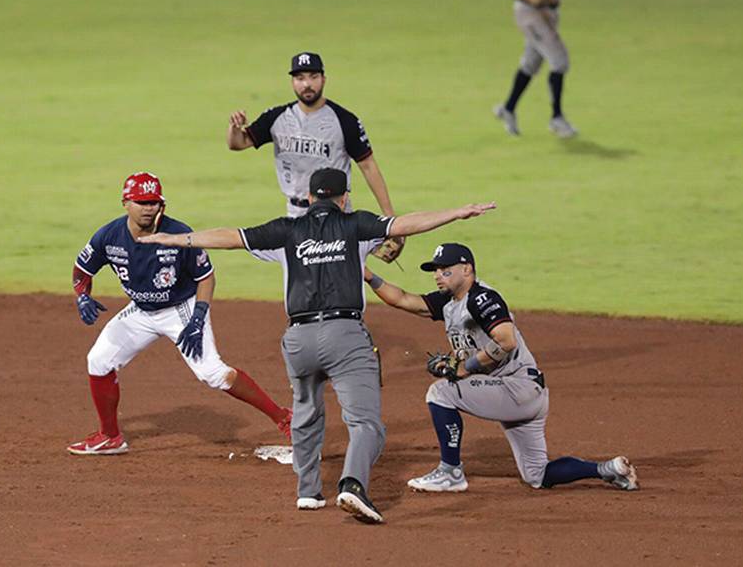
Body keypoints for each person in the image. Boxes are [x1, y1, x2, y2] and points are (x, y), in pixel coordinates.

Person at [139, 169, 496, 524]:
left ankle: (308, 492)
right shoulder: (356, 224)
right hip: (345, 336)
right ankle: (352, 485)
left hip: (298, 341)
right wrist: (457, 212)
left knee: (307, 412)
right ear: (344, 198)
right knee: (365, 422)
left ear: (309, 199)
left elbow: (230, 236)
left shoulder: (287, 230)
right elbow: (404, 225)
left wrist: (171, 239)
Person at [364, 243, 639, 493]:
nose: (438, 276)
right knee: (537, 475)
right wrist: (366, 274)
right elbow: (400, 299)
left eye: (445, 271)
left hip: (517, 388)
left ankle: (450, 472)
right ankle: (609, 470)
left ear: (467, 269)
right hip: (522, 394)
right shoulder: (449, 301)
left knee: (440, 393)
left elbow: (506, 340)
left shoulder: (482, 298)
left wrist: (465, 367)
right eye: (436, 271)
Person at [67, 172, 292, 455]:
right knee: (98, 361)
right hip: (141, 310)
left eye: (154, 202)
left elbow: (206, 277)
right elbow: (82, 270)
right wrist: (82, 297)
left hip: (181, 309)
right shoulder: (108, 236)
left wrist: (198, 317)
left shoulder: (177, 234)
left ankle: (283, 417)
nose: (149, 208)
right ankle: (110, 436)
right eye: (142, 202)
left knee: (213, 374)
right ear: (125, 202)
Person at [226, 51, 405, 263]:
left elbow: (368, 166)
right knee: (301, 282)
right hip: (296, 214)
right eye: (300, 78)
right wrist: (234, 128)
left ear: (323, 79)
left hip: (337, 213)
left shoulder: (344, 120)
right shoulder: (277, 118)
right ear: (292, 82)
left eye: (313, 76)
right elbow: (238, 143)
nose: (307, 84)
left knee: (342, 278)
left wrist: (391, 220)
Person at [491, 0, 581, 138]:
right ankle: (557, 118)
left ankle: (508, 109)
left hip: (549, 14)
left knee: (530, 64)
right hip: (530, 13)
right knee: (560, 61)